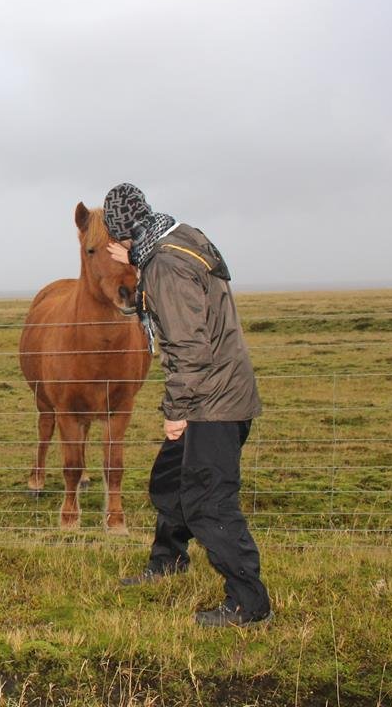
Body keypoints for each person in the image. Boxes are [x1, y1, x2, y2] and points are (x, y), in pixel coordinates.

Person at [102, 183, 272, 628]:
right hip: (215, 391)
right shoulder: (174, 241)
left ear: (126, 231)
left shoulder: (165, 266)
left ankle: (248, 603)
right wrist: (135, 259)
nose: (115, 247)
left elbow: (189, 346)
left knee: (209, 503)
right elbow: (171, 307)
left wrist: (176, 412)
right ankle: (168, 562)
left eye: (115, 237)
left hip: (211, 402)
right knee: (168, 482)